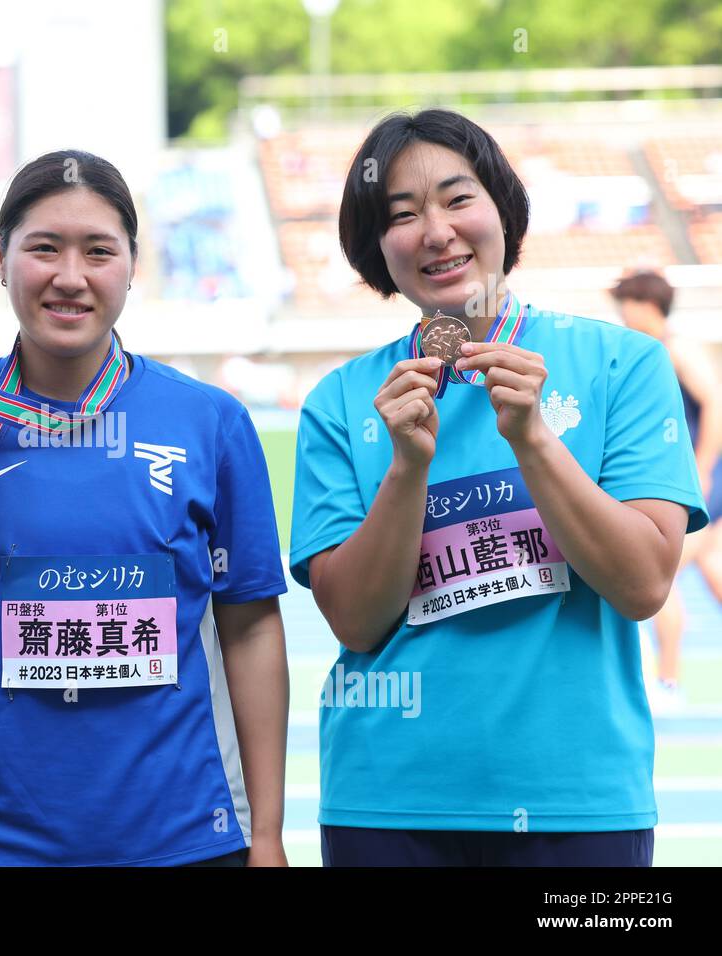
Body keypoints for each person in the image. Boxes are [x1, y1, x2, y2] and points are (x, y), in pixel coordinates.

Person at [290, 110, 709, 867]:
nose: (436, 232)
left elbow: (644, 582)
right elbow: (353, 620)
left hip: (578, 801)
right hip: (388, 803)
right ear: (376, 247)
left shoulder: (625, 366)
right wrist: (406, 468)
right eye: (402, 215)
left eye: (458, 199)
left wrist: (535, 441)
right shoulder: (343, 401)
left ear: (503, 211)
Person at [0, 150, 289, 867]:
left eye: (99, 251)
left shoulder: (209, 422)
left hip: (190, 837)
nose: (71, 277)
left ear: (134, 262)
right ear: (0, 257)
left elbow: (250, 626)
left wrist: (268, 838)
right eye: (44, 248)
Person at [610, 269, 722, 711]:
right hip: (700, 479)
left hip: (703, 481)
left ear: (644, 304)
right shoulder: (653, 350)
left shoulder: (676, 348)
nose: (621, 315)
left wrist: (704, 469)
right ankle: (668, 680)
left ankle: (669, 682)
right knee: (712, 567)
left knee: (659, 573)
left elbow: (716, 403)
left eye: (625, 305)